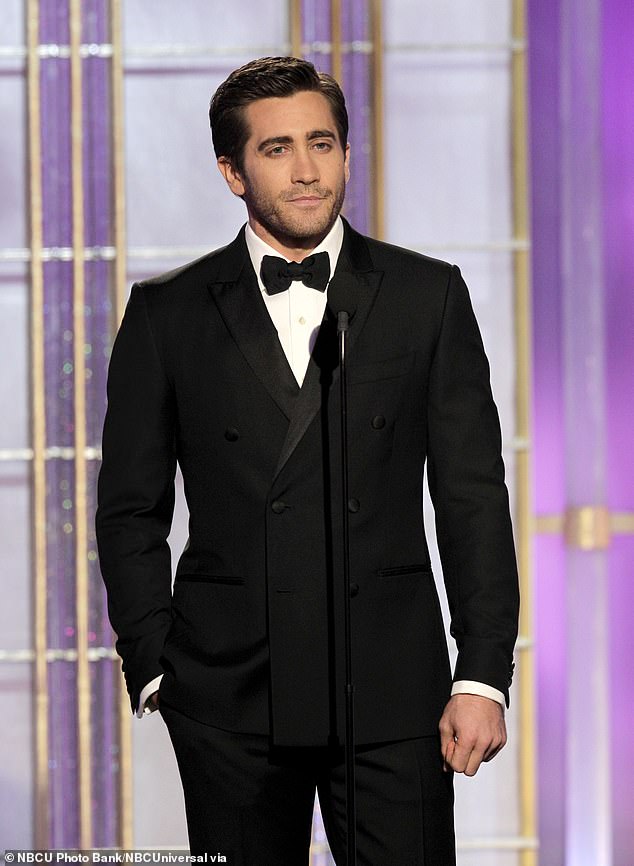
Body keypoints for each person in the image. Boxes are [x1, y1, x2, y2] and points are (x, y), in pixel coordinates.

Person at [96, 56, 519, 865]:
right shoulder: (166, 314)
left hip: (394, 689)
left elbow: (472, 496)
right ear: (232, 171)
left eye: (322, 143)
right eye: (277, 149)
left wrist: (482, 674)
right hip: (228, 693)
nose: (306, 170)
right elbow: (129, 509)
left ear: (348, 154)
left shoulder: (426, 296)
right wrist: (154, 661)